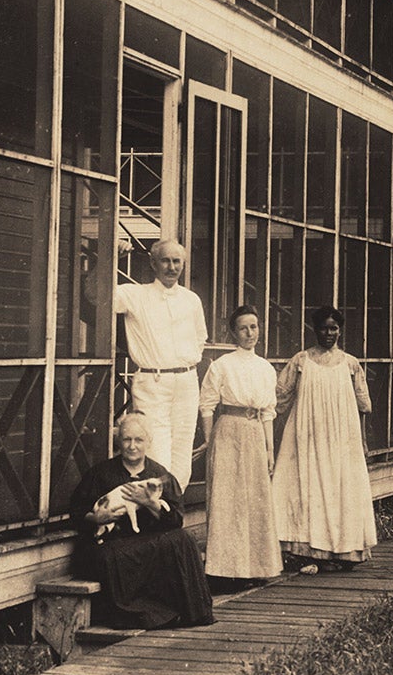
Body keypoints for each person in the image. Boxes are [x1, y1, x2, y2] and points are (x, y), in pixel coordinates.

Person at [69, 413, 213, 629]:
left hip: (148, 539)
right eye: (127, 439)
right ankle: (141, 615)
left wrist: (150, 503)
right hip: (114, 543)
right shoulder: (101, 473)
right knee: (111, 556)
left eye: (139, 440)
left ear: (148, 442)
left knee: (183, 539)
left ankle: (187, 612)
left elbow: (175, 519)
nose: (132, 446)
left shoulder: (159, 475)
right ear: (119, 441)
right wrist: (96, 517)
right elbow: (76, 511)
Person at [272, 305, 377, 568]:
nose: (329, 333)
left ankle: (343, 551)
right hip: (307, 437)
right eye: (323, 328)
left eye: (334, 328)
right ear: (314, 329)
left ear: (340, 330)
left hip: (342, 438)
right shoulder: (301, 361)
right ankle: (307, 551)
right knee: (307, 488)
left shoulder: (351, 364)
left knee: (340, 489)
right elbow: (279, 398)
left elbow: (362, 407)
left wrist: (362, 441)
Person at [114, 239, 207, 491]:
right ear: (153, 263)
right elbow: (96, 295)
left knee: (181, 455)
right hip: (152, 383)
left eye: (177, 261)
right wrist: (111, 257)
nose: (171, 266)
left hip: (186, 382)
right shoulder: (136, 294)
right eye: (165, 260)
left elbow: (200, 339)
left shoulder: (191, 300)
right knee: (156, 452)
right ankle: (154, 516)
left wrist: (183, 367)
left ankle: (171, 514)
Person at [198, 306, 282, 580]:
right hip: (229, 432)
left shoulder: (266, 368)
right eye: (244, 328)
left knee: (255, 499)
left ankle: (256, 568)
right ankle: (224, 569)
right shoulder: (221, 365)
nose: (250, 333)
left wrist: (270, 451)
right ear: (233, 332)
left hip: (255, 432)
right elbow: (207, 405)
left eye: (254, 327)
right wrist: (210, 440)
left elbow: (269, 412)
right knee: (227, 499)